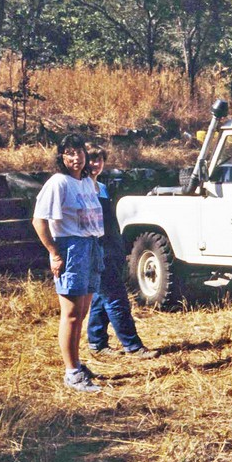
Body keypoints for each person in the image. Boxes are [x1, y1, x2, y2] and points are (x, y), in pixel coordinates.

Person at [31, 134, 105, 393]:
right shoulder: (58, 183)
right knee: (71, 314)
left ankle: (77, 363)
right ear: (61, 157)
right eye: (69, 153)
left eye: (79, 152)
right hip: (71, 249)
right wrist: (54, 252)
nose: (76, 158)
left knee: (82, 313)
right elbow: (39, 221)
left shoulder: (86, 182)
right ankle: (71, 372)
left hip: (91, 246)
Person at [85, 143, 158, 359]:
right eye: (91, 159)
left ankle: (96, 342)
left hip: (112, 250)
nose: (95, 164)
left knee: (101, 297)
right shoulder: (81, 188)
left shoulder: (102, 187)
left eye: (99, 159)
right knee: (116, 299)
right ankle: (133, 346)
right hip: (97, 252)